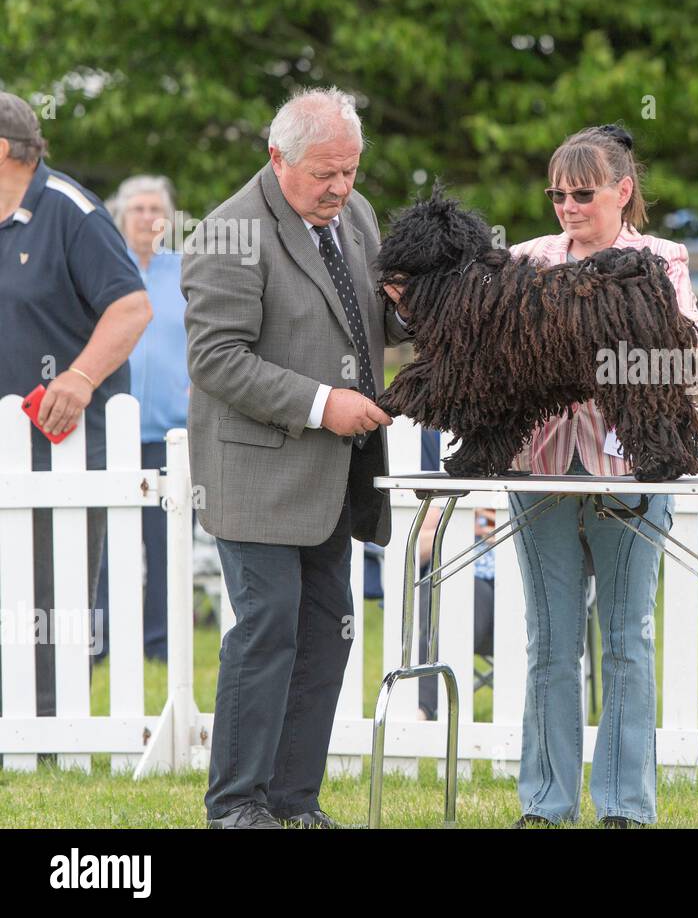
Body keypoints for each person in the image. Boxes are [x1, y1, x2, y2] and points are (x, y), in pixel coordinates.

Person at [184, 87, 412, 829]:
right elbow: (217, 359)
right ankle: (236, 805)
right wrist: (323, 404)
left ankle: (292, 802)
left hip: (334, 477)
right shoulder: (227, 234)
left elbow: (367, 315)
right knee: (267, 628)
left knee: (327, 628)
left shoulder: (359, 215)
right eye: (326, 174)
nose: (341, 189)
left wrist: (407, 308)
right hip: (255, 475)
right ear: (277, 156)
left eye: (350, 171)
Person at [502, 123, 698, 828]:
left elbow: (685, 360)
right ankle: (546, 805)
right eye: (558, 194)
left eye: (583, 193)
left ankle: (625, 806)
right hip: (541, 469)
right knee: (550, 642)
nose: (568, 206)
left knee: (626, 639)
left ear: (623, 191)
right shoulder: (524, 259)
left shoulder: (663, 259)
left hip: (631, 469)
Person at [0, 93, 151, 722]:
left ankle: (48, 723)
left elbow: (132, 306)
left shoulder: (71, 211)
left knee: (49, 595)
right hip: (8, 447)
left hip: (64, 444)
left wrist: (82, 376)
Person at [94, 175, 188, 664]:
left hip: (173, 435)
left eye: (156, 208)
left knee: (168, 544)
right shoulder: (107, 271)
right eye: (137, 209)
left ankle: (159, 645)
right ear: (120, 217)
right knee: (107, 544)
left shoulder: (186, 272)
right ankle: (102, 640)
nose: (148, 216)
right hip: (114, 432)